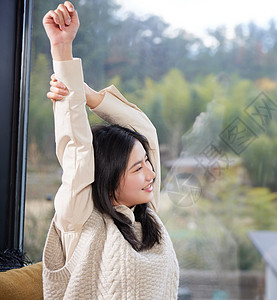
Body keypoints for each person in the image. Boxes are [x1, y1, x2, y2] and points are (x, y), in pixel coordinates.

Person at [41, 2, 179, 299]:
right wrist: (62, 50)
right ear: (109, 175)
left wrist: (87, 94)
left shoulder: (145, 214)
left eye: (147, 163)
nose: (151, 173)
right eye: (138, 168)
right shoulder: (79, 218)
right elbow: (77, 149)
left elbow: (147, 133)